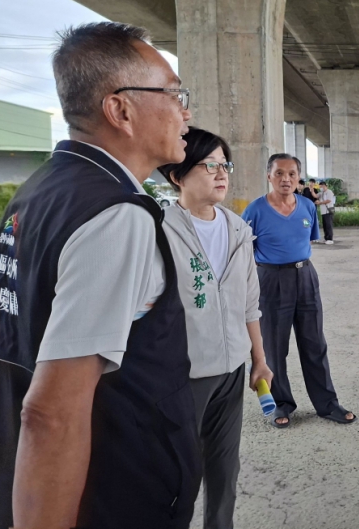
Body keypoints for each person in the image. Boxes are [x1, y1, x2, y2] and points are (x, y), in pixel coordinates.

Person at [0, 22, 201, 529]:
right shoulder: (115, 216)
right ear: (121, 109)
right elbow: (51, 414)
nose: (185, 111)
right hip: (110, 497)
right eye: (174, 93)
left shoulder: (39, 192)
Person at [159, 127, 273, 529]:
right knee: (180, 473)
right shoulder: (160, 231)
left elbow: (249, 304)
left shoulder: (238, 229)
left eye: (224, 164)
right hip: (183, 376)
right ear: (178, 176)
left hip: (231, 370)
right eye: (209, 165)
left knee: (225, 469)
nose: (221, 173)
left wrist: (259, 360)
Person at [241, 154, 355, 428]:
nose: (286, 179)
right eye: (279, 173)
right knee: (274, 347)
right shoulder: (255, 210)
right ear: (269, 176)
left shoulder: (306, 206)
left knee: (314, 343)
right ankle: (281, 404)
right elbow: (244, 250)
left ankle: (327, 404)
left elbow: (309, 238)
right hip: (270, 279)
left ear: (298, 178)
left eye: (292, 174)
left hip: (305, 276)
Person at [315, 179, 336, 244]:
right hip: (323, 211)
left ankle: (330, 239)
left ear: (325, 186)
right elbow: (315, 196)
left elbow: (329, 200)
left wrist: (320, 202)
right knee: (325, 225)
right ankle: (326, 238)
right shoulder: (321, 193)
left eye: (321, 186)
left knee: (328, 225)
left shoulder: (329, 192)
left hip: (328, 211)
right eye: (320, 187)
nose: (320, 188)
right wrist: (312, 190)